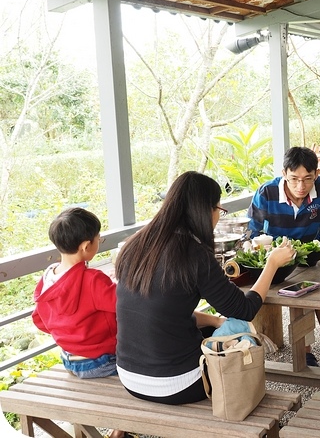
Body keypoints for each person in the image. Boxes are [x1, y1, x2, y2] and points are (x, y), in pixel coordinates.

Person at [114, 171, 296, 405]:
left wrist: (215, 321)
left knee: (222, 325)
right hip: (177, 384)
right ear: (205, 210)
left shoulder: (137, 244)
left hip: (129, 377)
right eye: (219, 209)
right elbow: (244, 309)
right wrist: (272, 263)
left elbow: (164, 310)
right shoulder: (193, 253)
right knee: (240, 328)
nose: (218, 216)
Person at [248, 146, 320, 369]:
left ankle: (314, 343)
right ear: (284, 174)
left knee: (314, 280)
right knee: (299, 286)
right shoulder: (266, 193)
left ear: (316, 174)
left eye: (308, 179)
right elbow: (252, 235)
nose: (301, 186)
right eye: (294, 179)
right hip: (277, 263)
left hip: (311, 257)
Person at [32, 207, 128, 438]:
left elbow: (40, 321)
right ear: (87, 246)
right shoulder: (93, 280)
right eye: (99, 239)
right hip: (103, 361)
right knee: (144, 371)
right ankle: (119, 429)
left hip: (70, 359)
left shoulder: (47, 280)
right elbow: (124, 305)